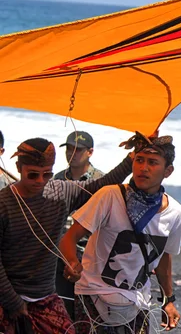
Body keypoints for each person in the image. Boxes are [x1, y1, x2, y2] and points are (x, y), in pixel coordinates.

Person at [0, 137, 133, 333]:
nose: (40, 181)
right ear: (19, 167)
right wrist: (13, 302)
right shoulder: (3, 204)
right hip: (5, 297)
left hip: (45, 296)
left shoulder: (60, 193)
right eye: (33, 175)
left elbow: (101, 186)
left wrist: (131, 159)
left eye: (47, 174)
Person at [59, 134, 181, 334]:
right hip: (93, 296)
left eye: (152, 162)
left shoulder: (175, 212)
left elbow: (163, 257)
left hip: (138, 301)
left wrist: (168, 299)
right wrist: (72, 262)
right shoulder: (110, 196)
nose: (143, 168)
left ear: (168, 171)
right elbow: (69, 238)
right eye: (139, 160)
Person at [53, 131, 105, 319]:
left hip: (89, 256)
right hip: (60, 254)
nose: (71, 153)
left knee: (88, 313)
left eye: (77, 150)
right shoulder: (57, 178)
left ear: (90, 152)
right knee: (63, 309)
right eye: (68, 148)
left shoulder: (101, 181)